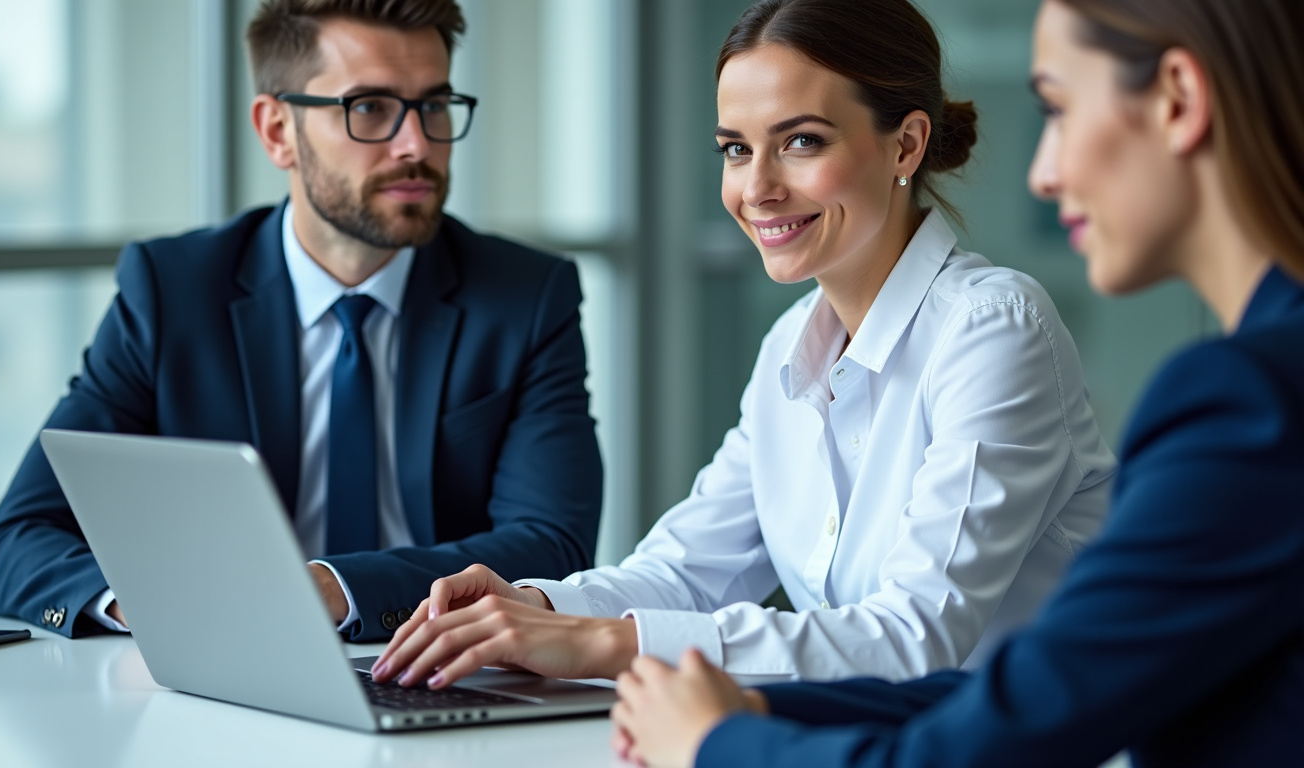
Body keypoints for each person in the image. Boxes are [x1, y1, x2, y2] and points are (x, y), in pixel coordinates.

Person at [609, 0, 1304, 765]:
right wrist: (748, 704)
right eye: (734, 149)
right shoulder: (791, 346)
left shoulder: (1247, 399)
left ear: (1177, 98)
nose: (1042, 173)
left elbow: (999, 707)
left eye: (1059, 110)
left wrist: (720, 741)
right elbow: (1023, 688)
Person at [368, 0, 1116, 692]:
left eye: (800, 141)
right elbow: (686, 576)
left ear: (906, 145)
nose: (755, 188)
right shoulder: (792, 345)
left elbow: (915, 638)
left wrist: (606, 645)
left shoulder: (993, 329)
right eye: (734, 148)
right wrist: (530, 605)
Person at [0, 0, 603, 642]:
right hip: (220, 679)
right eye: (370, 108)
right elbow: (16, 542)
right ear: (277, 131)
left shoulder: (525, 297)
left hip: (432, 665)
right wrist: (140, 602)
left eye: (434, 106)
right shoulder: (172, 292)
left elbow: (552, 546)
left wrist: (334, 588)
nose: (416, 145)